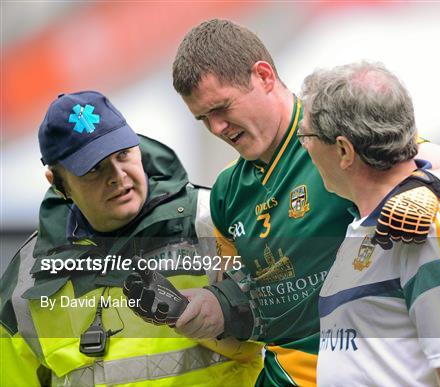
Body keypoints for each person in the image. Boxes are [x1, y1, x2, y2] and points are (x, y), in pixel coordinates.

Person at [127, 19, 440, 386]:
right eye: (202, 119)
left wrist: (427, 185)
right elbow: (244, 306)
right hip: (279, 376)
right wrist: (204, 309)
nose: (217, 129)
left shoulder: (335, 138)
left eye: (222, 108)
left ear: (263, 76)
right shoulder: (227, 191)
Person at [0, 91, 262, 386]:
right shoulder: (27, 279)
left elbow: (292, 326)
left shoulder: (214, 219)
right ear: (58, 183)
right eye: (93, 168)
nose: (117, 176)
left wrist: (227, 311)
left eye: (122, 154)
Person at [300, 61, 440, 386]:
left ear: (343, 150)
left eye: (305, 137)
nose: (305, 148)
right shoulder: (363, 226)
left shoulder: (430, 228)